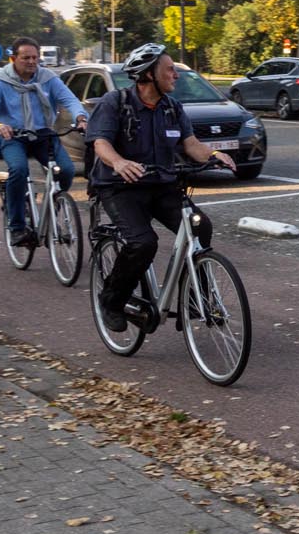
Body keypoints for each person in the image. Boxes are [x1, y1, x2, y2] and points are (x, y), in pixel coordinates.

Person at [87, 42, 236, 333]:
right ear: (148, 74)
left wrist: (215, 155)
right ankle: (112, 300)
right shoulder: (115, 103)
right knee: (143, 243)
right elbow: (100, 143)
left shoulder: (171, 108)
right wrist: (118, 162)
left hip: (162, 186)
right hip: (121, 188)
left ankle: (194, 298)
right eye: (169, 70)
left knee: (200, 226)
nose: (176, 75)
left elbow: (191, 145)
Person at [0, 36, 87, 246]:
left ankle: (51, 211)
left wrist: (81, 118)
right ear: (13, 58)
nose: (31, 62)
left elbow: (70, 100)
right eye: (25, 57)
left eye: (35, 58)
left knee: (66, 170)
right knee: (19, 169)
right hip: (11, 136)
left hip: (42, 134)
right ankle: (17, 226)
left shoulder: (47, 78)